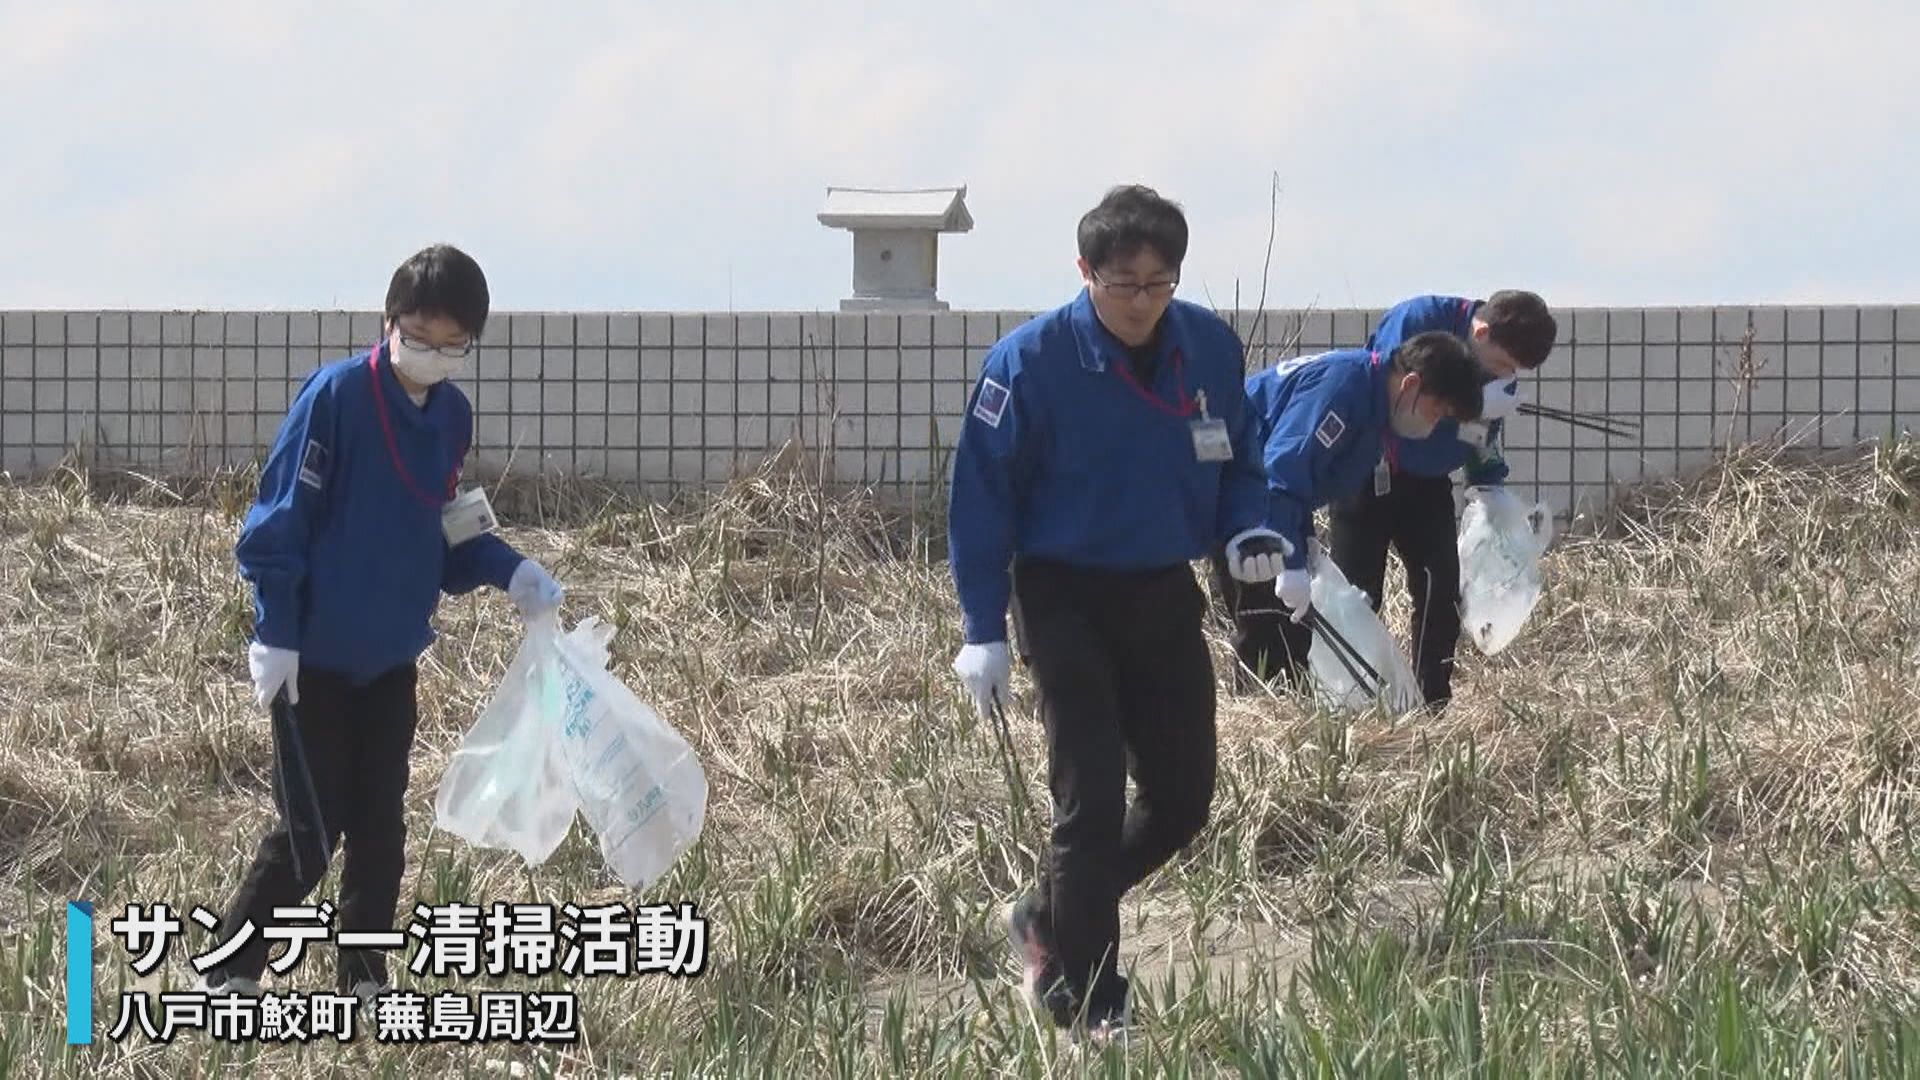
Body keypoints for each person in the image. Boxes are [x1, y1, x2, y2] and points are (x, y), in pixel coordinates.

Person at [945, 184, 1289, 1043]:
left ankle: (1049, 917)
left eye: (1158, 283)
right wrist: (982, 628)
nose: (1141, 303)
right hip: (1061, 592)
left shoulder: (1207, 347)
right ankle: (1096, 1003)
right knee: (1089, 804)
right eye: (1122, 284)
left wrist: (1253, 528)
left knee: (1182, 800)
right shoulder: (1029, 364)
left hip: (1161, 587)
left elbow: (1243, 457)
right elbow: (979, 501)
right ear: (1084, 273)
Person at [196, 243, 566, 1002]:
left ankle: (363, 983)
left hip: (392, 658)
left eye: (452, 344)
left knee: (380, 833)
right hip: (313, 660)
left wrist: (513, 573)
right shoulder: (334, 398)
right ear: (390, 321)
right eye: (419, 336)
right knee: (311, 830)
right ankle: (232, 973)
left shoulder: (450, 419)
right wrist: (275, 631)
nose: (432, 355)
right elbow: (279, 519)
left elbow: (449, 536)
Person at [1212, 332, 1488, 691]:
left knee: (1294, 637)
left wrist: (1305, 540)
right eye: (1436, 411)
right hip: (1243, 502)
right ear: (1411, 383)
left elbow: (1302, 481)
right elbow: (1280, 473)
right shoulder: (1345, 390)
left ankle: (1283, 717)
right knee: (1269, 631)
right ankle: (1261, 724)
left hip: (1258, 502)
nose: (1432, 424)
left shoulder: (1371, 406)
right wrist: (1291, 563)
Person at [1327, 292, 1557, 710]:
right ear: (1480, 331)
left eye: (1514, 373)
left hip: (1428, 479)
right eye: (1502, 365)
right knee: (1357, 595)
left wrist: (1489, 486)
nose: (1503, 376)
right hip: (1365, 471)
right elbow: (1387, 395)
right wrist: (1472, 405)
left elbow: (1481, 437)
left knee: (1441, 590)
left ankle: (1431, 702)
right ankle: (1349, 704)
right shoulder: (1418, 319)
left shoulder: (1497, 370)